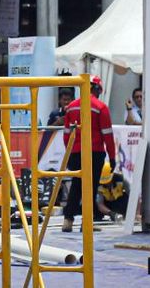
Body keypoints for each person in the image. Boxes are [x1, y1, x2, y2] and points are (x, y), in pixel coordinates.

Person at [61, 75, 116, 232]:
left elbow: (66, 134)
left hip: (76, 153)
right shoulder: (100, 107)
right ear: (97, 89)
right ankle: (86, 223)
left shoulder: (71, 107)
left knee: (76, 185)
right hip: (95, 152)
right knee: (90, 187)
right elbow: (107, 135)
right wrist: (112, 157)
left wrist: (70, 153)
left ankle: (68, 220)